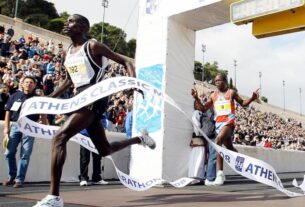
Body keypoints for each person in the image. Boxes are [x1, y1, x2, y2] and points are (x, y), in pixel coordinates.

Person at [33, 14, 156, 207]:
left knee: (59, 137)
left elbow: (126, 62)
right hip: (79, 98)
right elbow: (68, 80)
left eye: (71, 21)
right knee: (105, 149)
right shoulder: (69, 51)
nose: (67, 23)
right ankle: (140, 139)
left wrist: (132, 81)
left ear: (83, 27)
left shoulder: (93, 46)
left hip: (94, 97)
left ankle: (54, 197)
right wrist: (50, 97)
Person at [191, 73, 258, 186]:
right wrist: (196, 98)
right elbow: (203, 109)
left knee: (218, 141)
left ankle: (220, 174)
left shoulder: (231, 93)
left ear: (225, 81)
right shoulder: (213, 95)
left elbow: (242, 104)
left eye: (219, 80)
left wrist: (252, 98)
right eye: (215, 81)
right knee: (230, 148)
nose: (217, 83)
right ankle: (244, 165)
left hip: (229, 123)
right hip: (219, 125)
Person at [2, 76, 38, 188]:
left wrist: (43, 124)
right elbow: (8, 112)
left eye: (31, 82)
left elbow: (43, 114)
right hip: (15, 126)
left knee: (25, 155)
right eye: (26, 82)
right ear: (22, 84)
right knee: (8, 153)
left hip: (30, 127)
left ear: (35, 85)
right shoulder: (15, 96)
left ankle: (19, 179)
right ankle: (12, 175)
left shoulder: (37, 98)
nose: (28, 84)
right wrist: (6, 127)